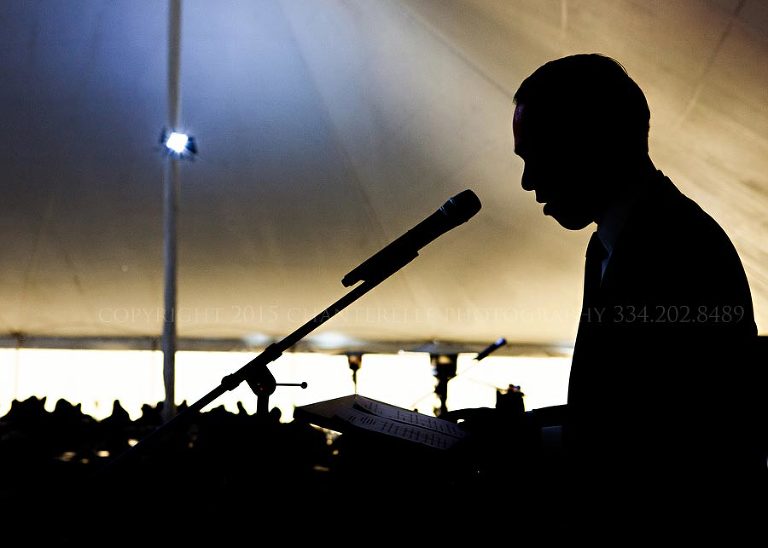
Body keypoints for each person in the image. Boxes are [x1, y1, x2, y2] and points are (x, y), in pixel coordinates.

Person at [512, 54, 764, 524]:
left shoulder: (680, 250)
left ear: (587, 142)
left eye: (536, 155)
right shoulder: (617, 241)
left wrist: (522, 442)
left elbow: (666, 440)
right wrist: (524, 427)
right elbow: (619, 410)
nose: (527, 181)